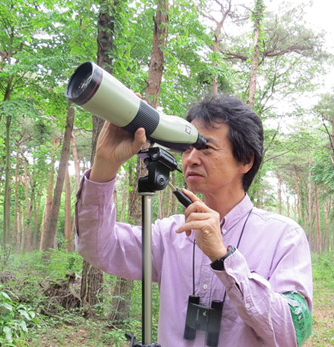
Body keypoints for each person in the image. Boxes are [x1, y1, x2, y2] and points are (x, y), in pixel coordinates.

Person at [75, 95, 312, 346]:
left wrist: (223, 258)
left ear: (246, 160)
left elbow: (293, 331)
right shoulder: (171, 233)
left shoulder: (283, 236)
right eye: (187, 148)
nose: (191, 159)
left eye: (205, 147)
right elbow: (98, 248)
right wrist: (104, 166)